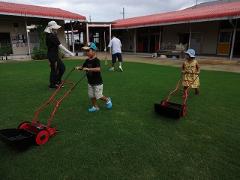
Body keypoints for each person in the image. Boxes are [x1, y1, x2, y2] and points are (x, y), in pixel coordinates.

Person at [75, 42, 112, 112]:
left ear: (94, 51)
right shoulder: (87, 60)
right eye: (86, 51)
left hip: (97, 82)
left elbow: (98, 69)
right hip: (90, 82)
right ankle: (95, 107)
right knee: (91, 96)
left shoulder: (96, 60)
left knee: (99, 96)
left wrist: (88, 69)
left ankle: (107, 100)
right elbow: (83, 67)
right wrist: (79, 68)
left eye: (88, 50)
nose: (87, 52)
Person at [44, 20, 74, 89]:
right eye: (55, 28)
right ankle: (53, 84)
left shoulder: (50, 35)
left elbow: (57, 47)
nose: (56, 29)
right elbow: (60, 46)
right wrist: (70, 53)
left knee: (62, 68)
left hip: (54, 55)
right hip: (52, 56)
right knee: (54, 70)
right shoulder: (51, 36)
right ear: (51, 28)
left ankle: (57, 81)